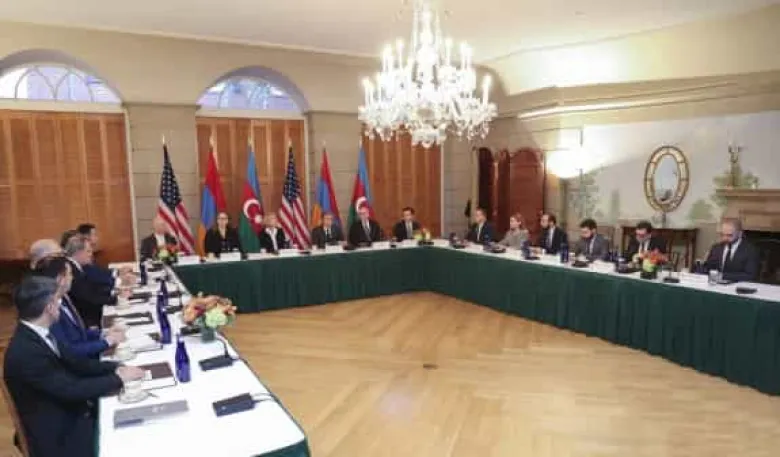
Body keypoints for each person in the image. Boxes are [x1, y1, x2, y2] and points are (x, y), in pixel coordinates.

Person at [2, 275, 144, 457]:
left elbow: (77, 364)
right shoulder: (26, 352)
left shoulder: (38, 333)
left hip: (70, 411)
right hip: (61, 433)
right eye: (57, 300)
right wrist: (118, 378)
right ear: (49, 308)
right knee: (130, 436)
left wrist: (116, 367)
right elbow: (70, 389)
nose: (60, 305)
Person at [36, 256, 126, 359]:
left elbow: (78, 334)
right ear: (60, 279)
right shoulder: (50, 309)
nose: (72, 277)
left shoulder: (64, 298)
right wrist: (107, 342)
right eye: (70, 274)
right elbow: (68, 351)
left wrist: (103, 333)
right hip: (80, 363)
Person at [65, 235, 127, 328]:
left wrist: (115, 292)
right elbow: (89, 297)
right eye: (88, 251)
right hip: (88, 320)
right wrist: (117, 299)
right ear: (78, 252)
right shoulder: (71, 270)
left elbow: (92, 288)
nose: (91, 254)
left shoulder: (76, 267)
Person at [76, 223, 134, 288]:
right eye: (95, 235)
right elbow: (95, 278)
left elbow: (99, 272)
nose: (97, 238)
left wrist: (118, 272)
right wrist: (120, 281)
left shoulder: (89, 253)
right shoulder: (83, 258)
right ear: (86, 236)